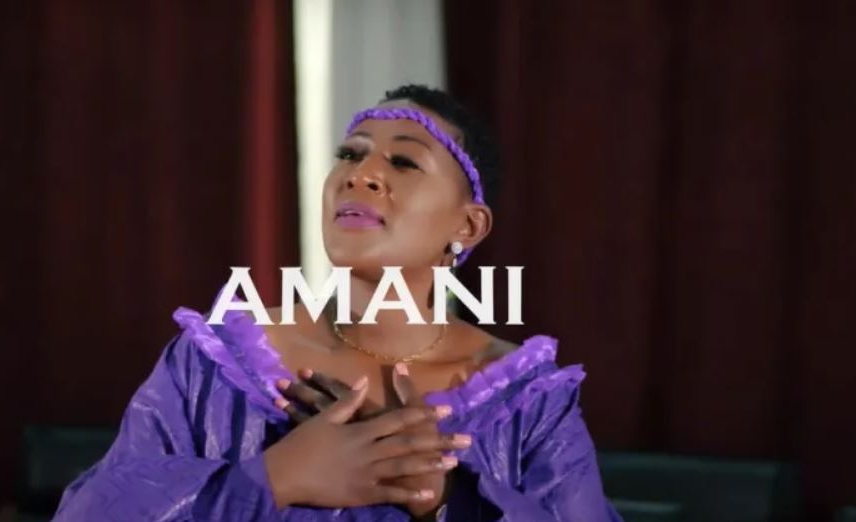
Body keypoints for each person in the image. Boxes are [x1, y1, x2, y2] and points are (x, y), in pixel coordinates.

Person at [54, 85, 621, 521]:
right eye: (350, 154)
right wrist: (273, 479)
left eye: (404, 162)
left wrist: (445, 499)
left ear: (467, 226)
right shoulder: (213, 366)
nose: (361, 174)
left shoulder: (528, 402)